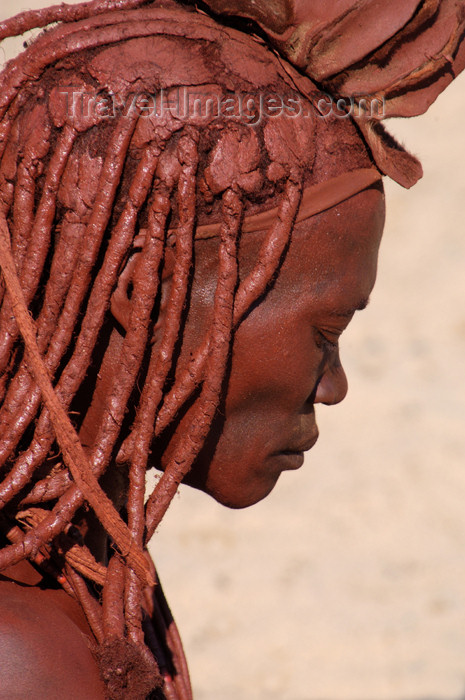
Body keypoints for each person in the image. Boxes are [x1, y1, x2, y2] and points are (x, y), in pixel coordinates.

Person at [0, 1, 463, 698]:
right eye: (325, 333)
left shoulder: (88, 570)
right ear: (147, 292)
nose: (332, 386)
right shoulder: (24, 657)